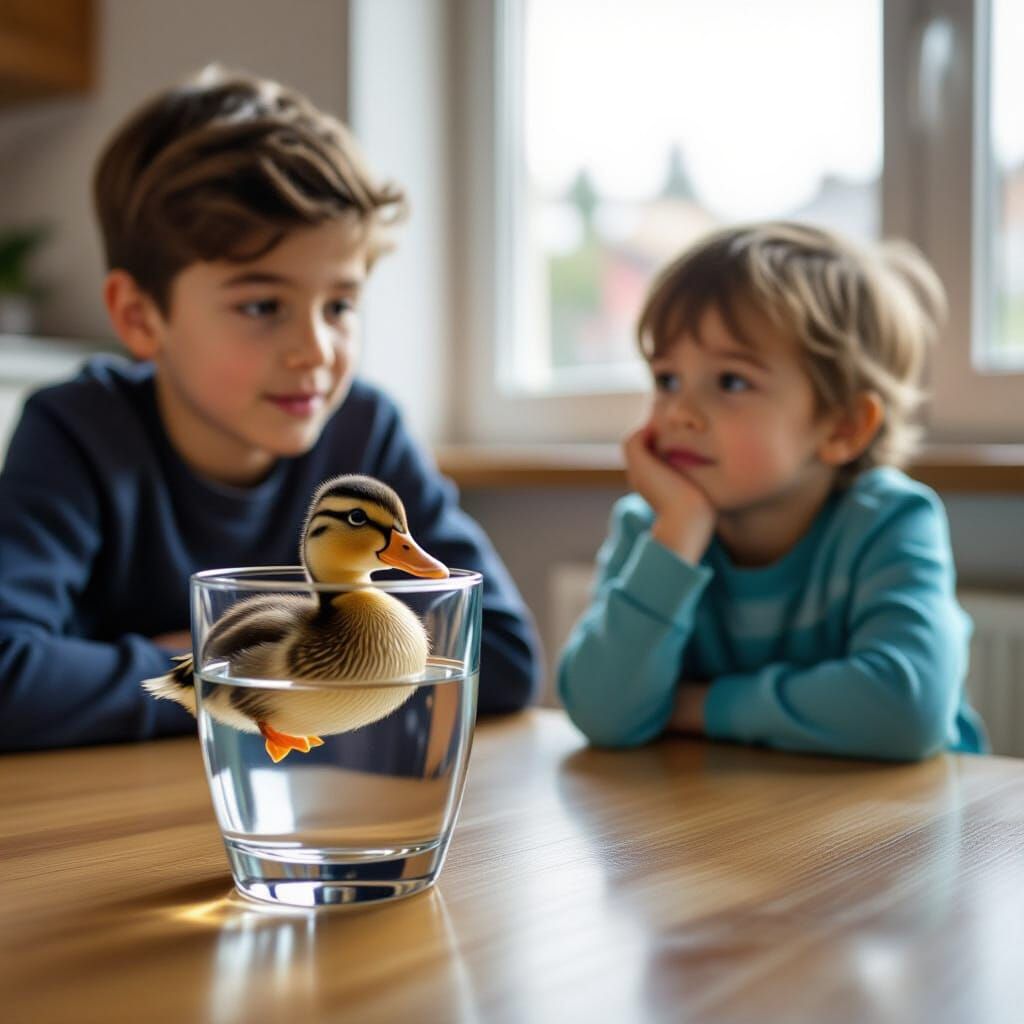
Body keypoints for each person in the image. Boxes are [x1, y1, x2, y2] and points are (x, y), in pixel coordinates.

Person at [0, 66, 539, 751]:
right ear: (140, 316)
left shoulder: (364, 432)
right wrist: (208, 673)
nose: (315, 350)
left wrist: (226, 670)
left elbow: (503, 657)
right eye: (262, 306)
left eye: (339, 305)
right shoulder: (76, 431)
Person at [558, 222, 986, 761]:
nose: (679, 413)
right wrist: (680, 534)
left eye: (731, 382)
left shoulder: (890, 521)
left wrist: (697, 707)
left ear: (842, 427)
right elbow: (600, 712)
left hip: (905, 824)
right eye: (667, 379)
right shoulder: (656, 527)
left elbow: (907, 709)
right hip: (735, 817)